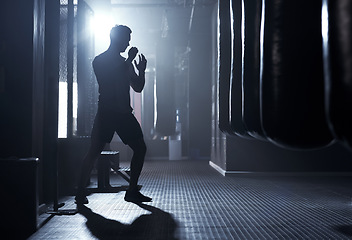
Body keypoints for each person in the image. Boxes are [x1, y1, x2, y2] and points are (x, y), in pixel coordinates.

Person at [75, 25, 151, 204]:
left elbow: (138, 88)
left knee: (140, 148)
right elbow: (110, 79)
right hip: (107, 112)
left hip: (124, 113)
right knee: (94, 151)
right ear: (116, 39)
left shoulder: (126, 62)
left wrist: (141, 70)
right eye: (126, 39)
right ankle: (80, 192)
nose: (129, 43)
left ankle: (132, 191)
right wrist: (129, 61)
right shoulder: (100, 60)